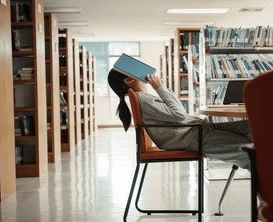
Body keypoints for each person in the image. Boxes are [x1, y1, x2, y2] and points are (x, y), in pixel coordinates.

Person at [107, 69, 252, 171]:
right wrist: (160, 88)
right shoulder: (144, 100)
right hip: (193, 137)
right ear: (128, 80)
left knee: (251, 126)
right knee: (252, 154)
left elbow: (178, 113)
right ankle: (265, 201)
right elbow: (180, 115)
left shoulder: (145, 98)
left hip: (199, 130)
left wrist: (161, 89)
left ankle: (269, 157)